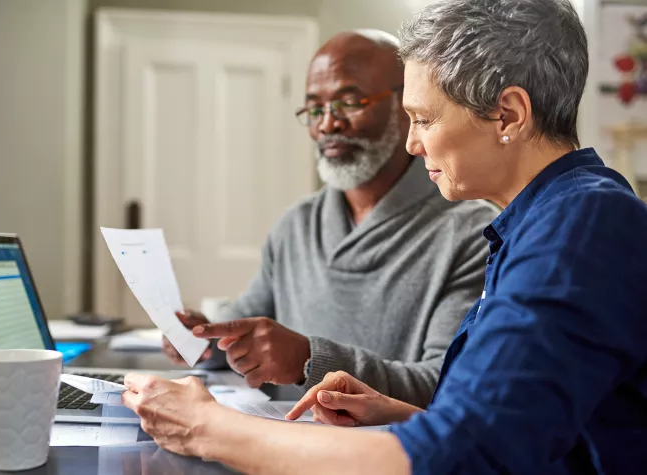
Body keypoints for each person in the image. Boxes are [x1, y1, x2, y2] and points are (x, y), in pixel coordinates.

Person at [121, 0, 647, 473]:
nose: (413, 144)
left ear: (507, 115)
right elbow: (518, 429)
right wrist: (399, 413)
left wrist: (210, 428)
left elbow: (464, 454)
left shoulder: (579, 227)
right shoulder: (541, 221)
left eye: (422, 119)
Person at [163, 29, 497, 407]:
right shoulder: (296, 225)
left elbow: (446, 382)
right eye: (315, 109)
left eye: (348, 102)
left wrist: (309, 360)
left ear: (407, 105)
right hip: (276, 442)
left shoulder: (472, 233)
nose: (327, 125)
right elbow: (246, 332)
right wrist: (204, 338)